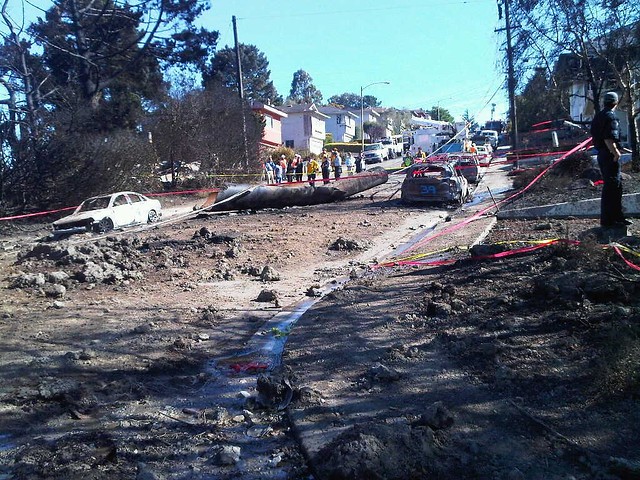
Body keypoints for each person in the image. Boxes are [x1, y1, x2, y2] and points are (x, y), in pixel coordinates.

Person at [590, 91, 632, 228]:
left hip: (602, 154)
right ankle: (612, 220)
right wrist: (616, 153)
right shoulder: (611, 117)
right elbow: (608, 138)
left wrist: (619, 148)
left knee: (612, 186)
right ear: (615, 102)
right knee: (613, 187)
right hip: (609, 155)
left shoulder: (599, 116)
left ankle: (614, 218)